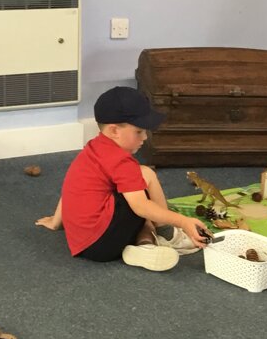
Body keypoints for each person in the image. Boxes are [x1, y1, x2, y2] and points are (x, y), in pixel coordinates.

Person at [36, 86, 209, 271]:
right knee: (146, 177)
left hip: (81, 242)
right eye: (139, 132)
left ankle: (145, 246)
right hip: (103, 243)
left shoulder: (93, 148)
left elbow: (72, 186)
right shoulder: (122, 162)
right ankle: (167, 235)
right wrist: (182, 221)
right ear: (114, 130)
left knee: (135, 188)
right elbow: (141, 207)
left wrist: (56, 221)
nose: (145, 137)